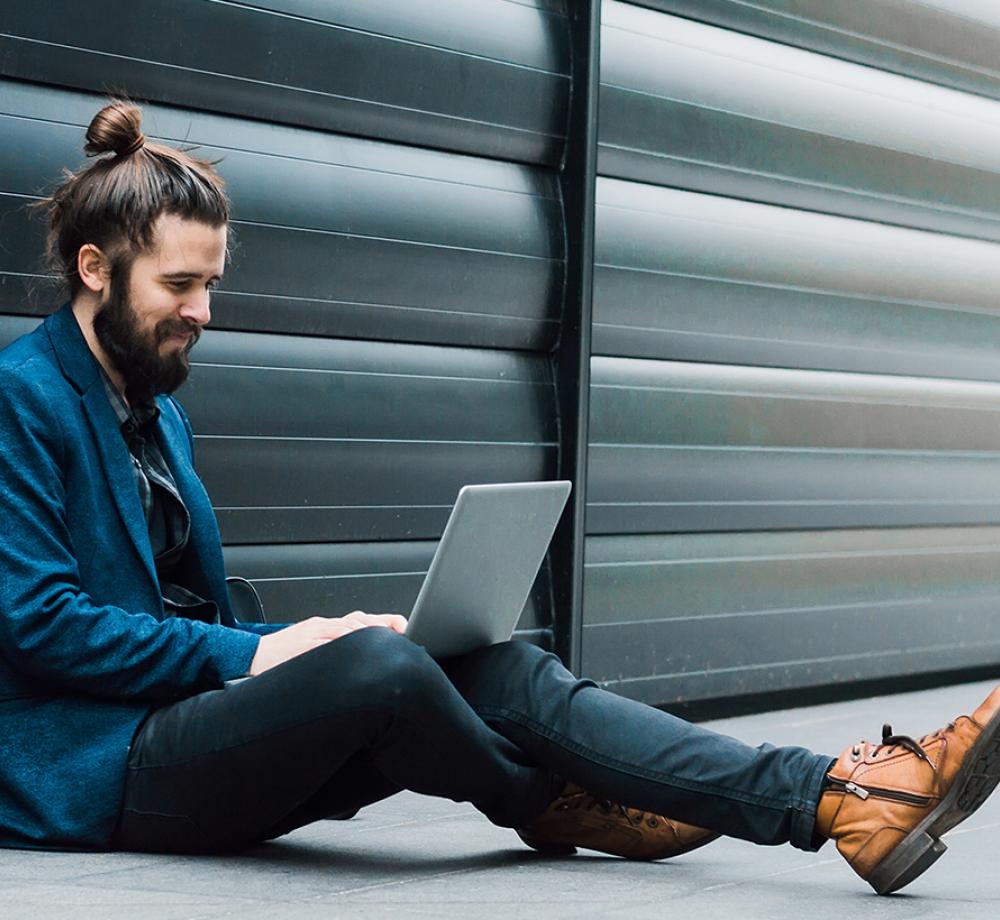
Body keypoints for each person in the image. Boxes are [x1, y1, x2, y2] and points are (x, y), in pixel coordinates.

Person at [0, 101, 997, 897]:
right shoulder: (24, 397)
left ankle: (841, 796)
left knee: (498, 662)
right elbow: (37, 623)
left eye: (212, 284)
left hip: (196, 721)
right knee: (383, 667)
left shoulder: (154, 407)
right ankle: (558, 794)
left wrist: (291, 650)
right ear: (95, 269)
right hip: (104, 769)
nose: (203, 313)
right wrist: (263, 653)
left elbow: (191, 617)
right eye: (181, 285)